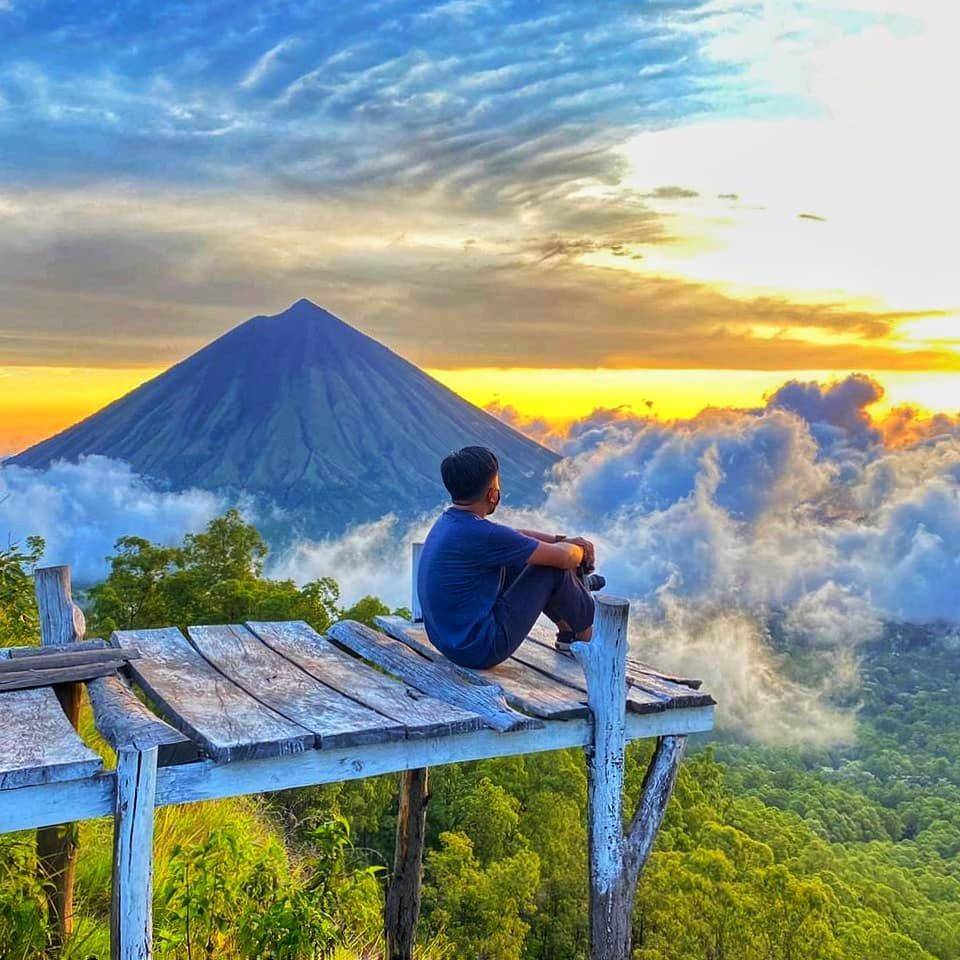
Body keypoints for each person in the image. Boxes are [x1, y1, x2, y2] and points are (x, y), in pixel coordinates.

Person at [417, 445, 605, 669]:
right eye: (497, 483)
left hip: (451, 641)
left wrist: (561, 540)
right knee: (551, 568)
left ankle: (568, 635)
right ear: (491, 493)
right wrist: (580, 550)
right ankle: (593, 642)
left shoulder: (452, 522)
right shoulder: (481, 533)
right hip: (480, 648)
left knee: (522, 556)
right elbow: (564, 559)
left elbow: (514, 537)